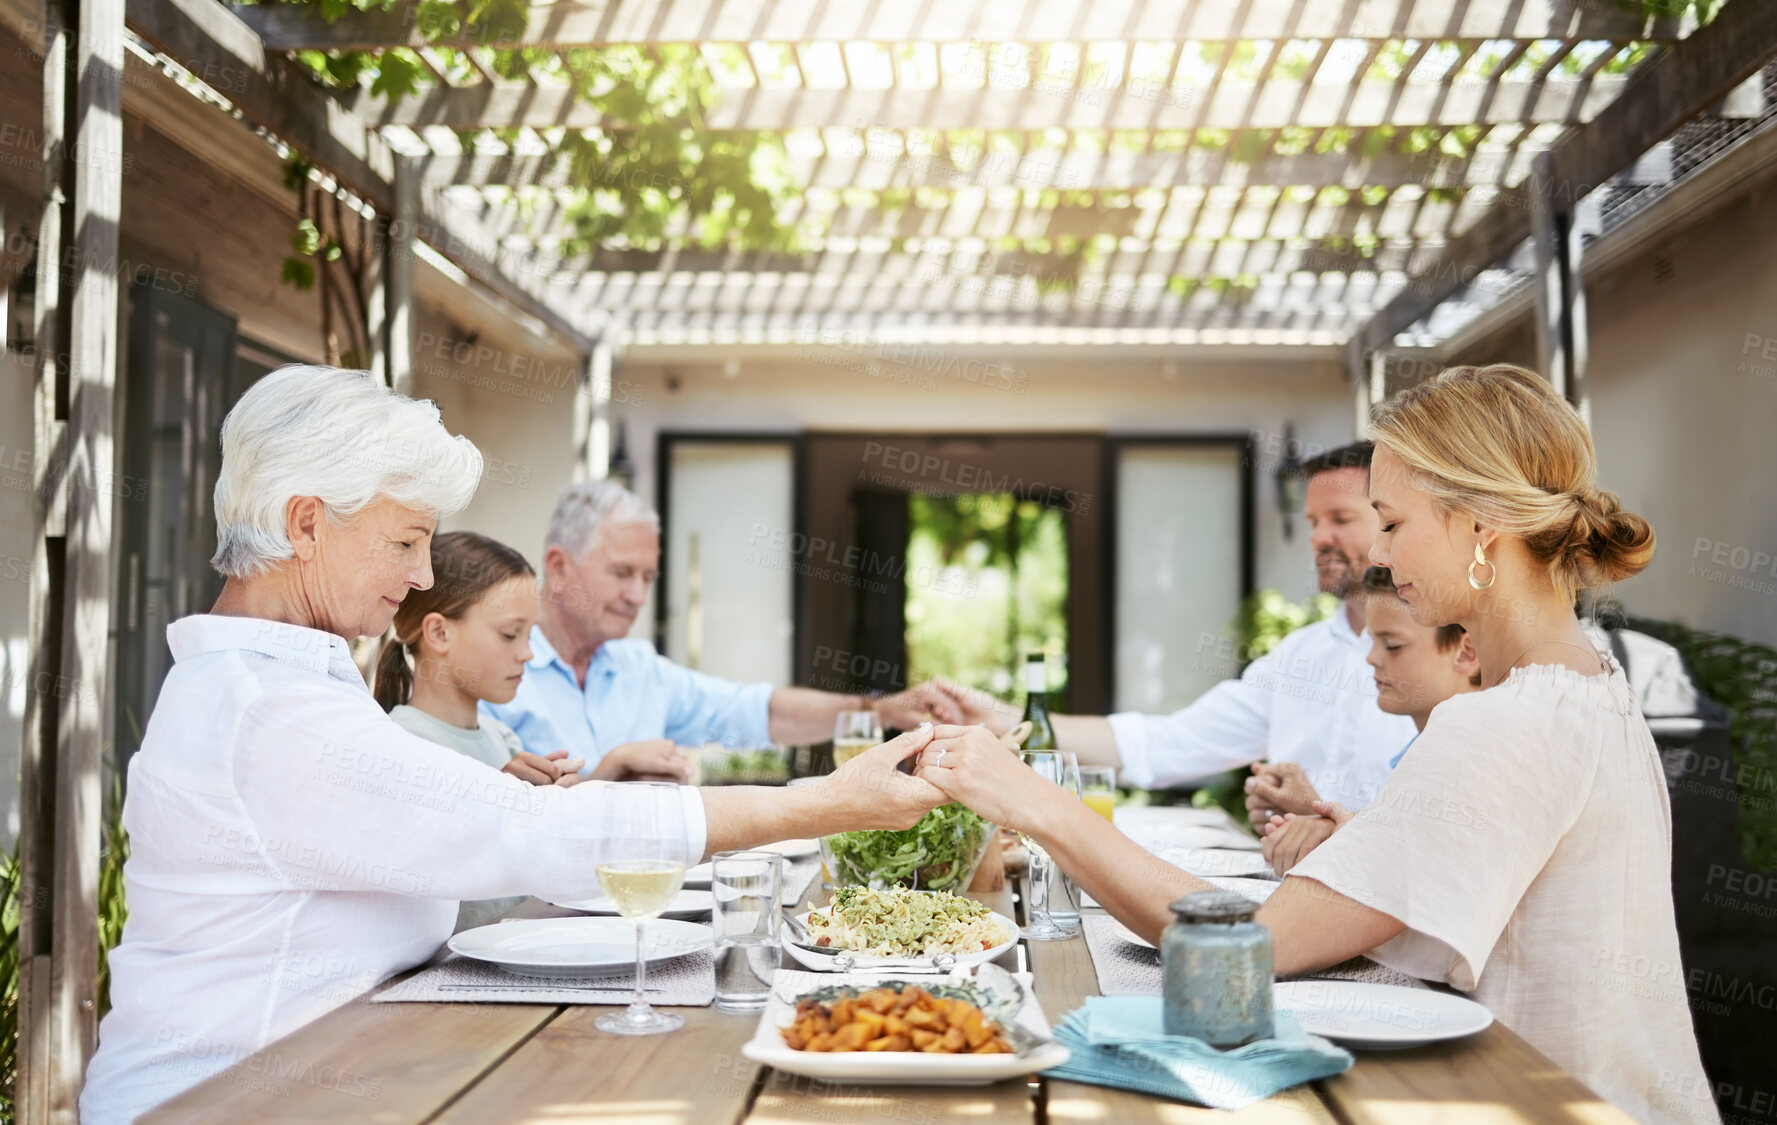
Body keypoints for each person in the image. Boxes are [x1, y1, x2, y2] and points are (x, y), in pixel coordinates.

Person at [80, 366, 948, 1124]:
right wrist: (824, 802)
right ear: (306, 524)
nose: (423, 575)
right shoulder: (264, 710)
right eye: (406, 540)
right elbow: (529, 831)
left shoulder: (283, 683)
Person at [915, 365, 1717, 1125]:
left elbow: (1248, 950)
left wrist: (1036, 802)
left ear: (1481, 526)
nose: (1375, 551)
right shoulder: (1592, 683)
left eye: (1392, 522)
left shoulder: (1504, 719)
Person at [928, 443, 1415, 812]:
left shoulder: (1445, 654)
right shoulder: (1299, 656)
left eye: (1339, 519)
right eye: (1312, 521)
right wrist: (1009, 720)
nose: (1318, 538)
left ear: (1389, 520)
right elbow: (1169, 743)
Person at [483, 481, 963, 774]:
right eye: (622, 573)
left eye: (648, 576)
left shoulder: (638, 668)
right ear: (559, 566)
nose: (638, 594)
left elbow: (757, 712)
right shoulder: (491, 673)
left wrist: (879, 711)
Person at [1259, 564, 1480, 874]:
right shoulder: (1420, 751)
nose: (1372, 659)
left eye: (1392, 646)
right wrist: (1316, 818)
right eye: (1371, 642)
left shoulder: (1475, 757)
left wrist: (1332, 830)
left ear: (1467, 653)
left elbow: (1432, 877)